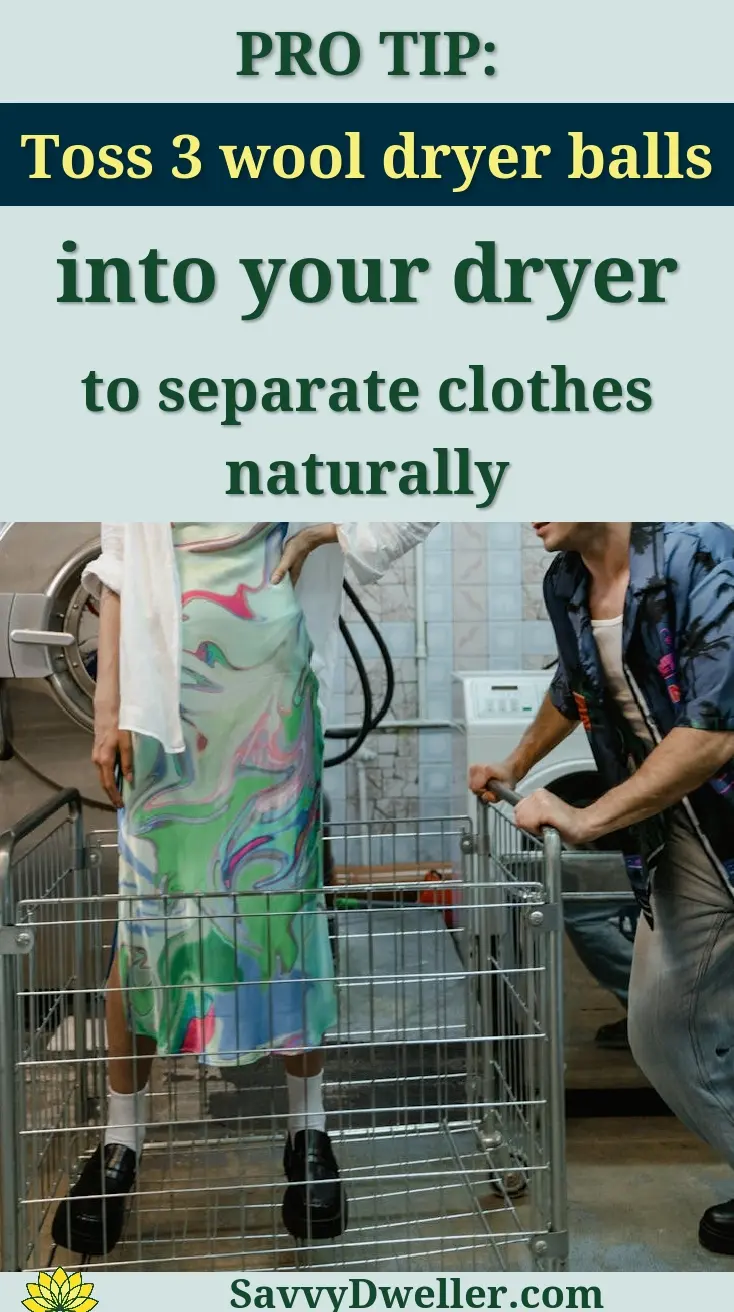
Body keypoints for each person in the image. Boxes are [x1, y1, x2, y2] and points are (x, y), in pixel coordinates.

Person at [51, 520, 435, 1256]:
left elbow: (420, 494)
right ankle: (119, 1144)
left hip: (271, 690)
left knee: (281, 912)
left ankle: (309, 1134)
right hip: (160, 705)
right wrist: (107, 714)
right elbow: (122, 571)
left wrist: (327, 528)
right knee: (146, 921)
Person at [470, 522, 734, 1256]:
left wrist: (586, 817)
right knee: (660, 1030)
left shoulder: (696, 553)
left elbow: (716, 730)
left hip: (722, 807)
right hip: (679, 831)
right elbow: (575, 684)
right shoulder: (568, 583)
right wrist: (514, 763)